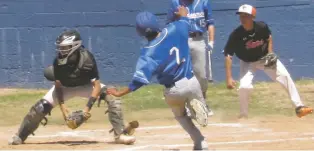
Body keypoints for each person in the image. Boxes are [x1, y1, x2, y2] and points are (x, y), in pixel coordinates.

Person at [8, 29, 137, 145]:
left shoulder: (87, 59)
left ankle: (120, 134)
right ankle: (20, 136)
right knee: (40, 108)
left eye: (65, 47)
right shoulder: (57, 61)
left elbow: (96, 86)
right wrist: (63, 109)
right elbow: (58, 86)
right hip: (65, 88)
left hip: (86, 86)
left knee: (112, 98)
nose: (61, 51)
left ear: (75, 47)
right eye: (60, 48)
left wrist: (87, 109)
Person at [107, 7, 209, 150]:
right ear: (156, 22)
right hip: (191, 82)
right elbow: (185, 19)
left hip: (173, 91)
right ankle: (199, 107)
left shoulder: (148, 53)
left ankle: (200, 143)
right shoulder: (175, 28)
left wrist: (119, 93)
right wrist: (182, 14)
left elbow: (138, 82)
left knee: (181, 117)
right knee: (196, 98)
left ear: (139, 32)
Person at [223, 4, 313, 119]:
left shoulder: (261, 27)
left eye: (246, 15)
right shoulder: (236, 35)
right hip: (247, 62)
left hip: (264, 58)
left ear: (252, 17)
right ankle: (243, 115)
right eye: (241, 15)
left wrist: (270, 52)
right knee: (244, 87)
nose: (242, 18)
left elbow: (268, 37)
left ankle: (299, 107)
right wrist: (229, 78)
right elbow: (228, 55)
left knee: (285, 76)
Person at [167, 0, 215, 101]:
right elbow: (169, 24)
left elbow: (210, 23)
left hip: (198, 39)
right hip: (182, 40)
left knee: (201, 75)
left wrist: (211, 41)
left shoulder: (203, 2)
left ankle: (203, 101)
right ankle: (188, 104)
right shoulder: (176, 3)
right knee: (184, 75)